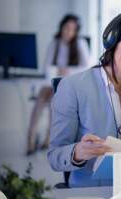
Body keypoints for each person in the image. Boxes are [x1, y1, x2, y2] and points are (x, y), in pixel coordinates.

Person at [47, 6, 121, 187]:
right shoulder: (73, 87)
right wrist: (78, 151)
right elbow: (55, 157)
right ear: (113, 41)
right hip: (93, 197)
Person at [26, 14, 90, 155]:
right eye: (66, 28)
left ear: (76, 31)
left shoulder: (80, 43)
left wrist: (67, 70)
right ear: (61, 27)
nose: (68, 32)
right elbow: (46, 66)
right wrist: (56, 72)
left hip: (71, 82)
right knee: (41, 98)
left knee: (54, 100)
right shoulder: (54, 43)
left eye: (72, 29)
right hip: (53, 79)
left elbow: (87, 68)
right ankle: (30, 138)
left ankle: (49, 138)